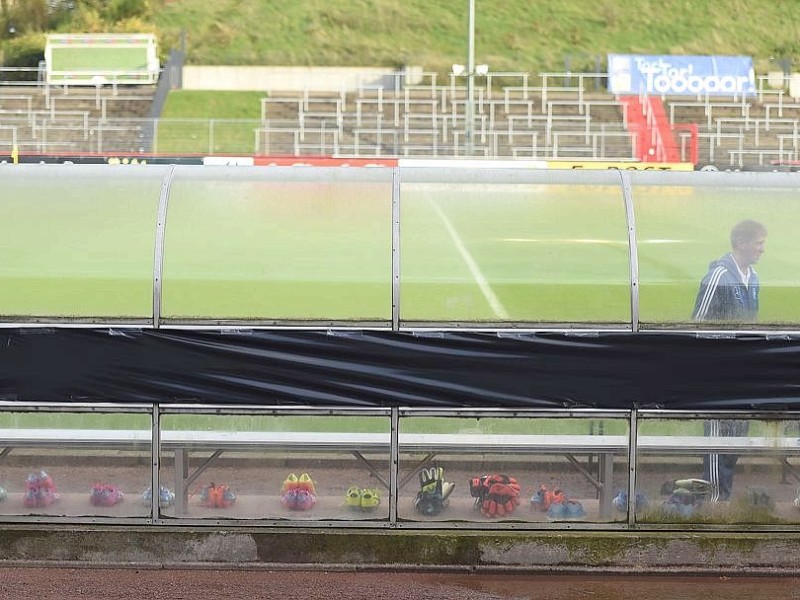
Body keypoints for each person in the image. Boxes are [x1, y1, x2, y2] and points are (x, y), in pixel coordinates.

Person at [692, 219, 767, 501]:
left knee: (736, 438)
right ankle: (714, 499)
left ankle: (723, 495)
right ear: (742, 243)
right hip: (716, 374)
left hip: (742, 374)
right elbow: (697, 323)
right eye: (759, 243)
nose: (762, 249)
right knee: (716, 437)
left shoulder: (754, 279)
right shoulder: (719, 276)